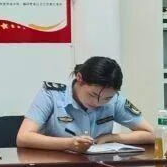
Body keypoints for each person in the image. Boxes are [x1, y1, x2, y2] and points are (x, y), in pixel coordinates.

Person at [16, 56, 155, 153]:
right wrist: (69, 144)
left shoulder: (115, 100)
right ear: (79, 79)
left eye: (107, 98)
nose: (97, 103)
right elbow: (23, 137)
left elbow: (151, 135)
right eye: (92, 95)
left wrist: (111, 138)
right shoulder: (51, 95)